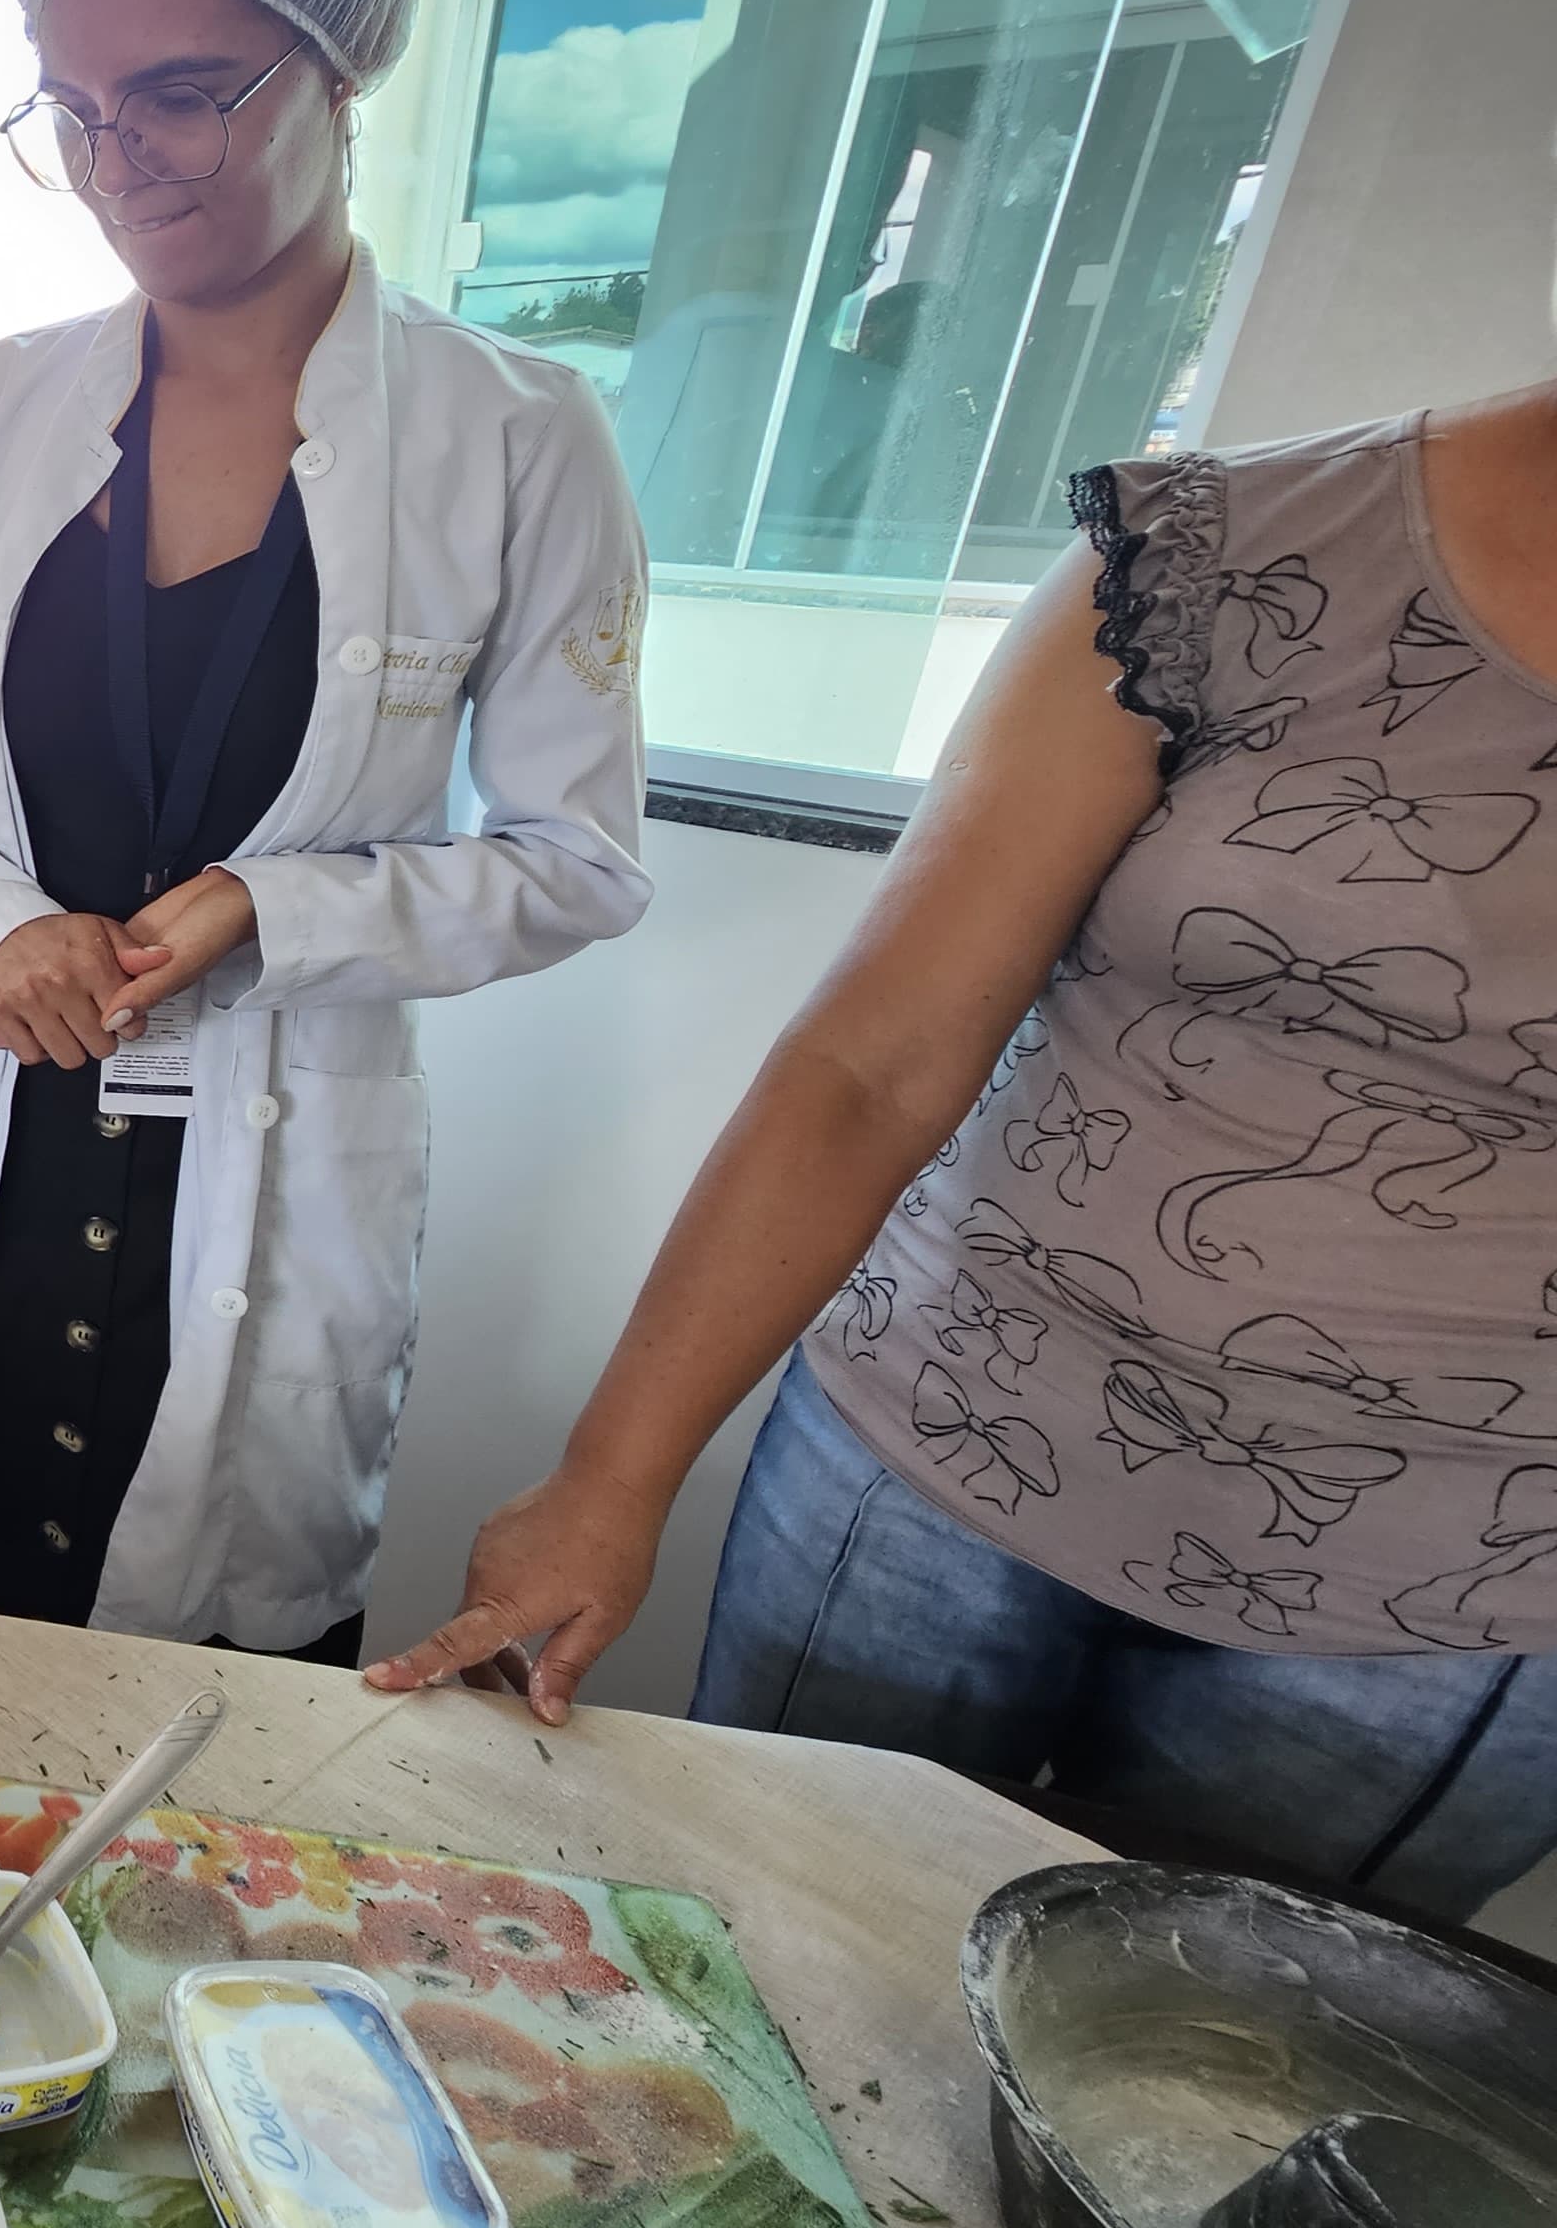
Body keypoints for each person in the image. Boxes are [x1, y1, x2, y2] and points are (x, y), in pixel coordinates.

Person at [365, 352, 1557, 1920]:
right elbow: (873, 1062)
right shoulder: (1225, 553)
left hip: (1452, 1601)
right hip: (944, 1455)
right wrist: (606, 1479)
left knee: (1218, 2049)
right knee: (770, 1929)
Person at [0, 0, 651, 1658]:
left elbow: (578, 861)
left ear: (343, 64)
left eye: (179, 95)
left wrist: (285, 908)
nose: (119, 165)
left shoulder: (519, 442)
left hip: (262, 1200)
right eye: (71, 109)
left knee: (201, 1737)